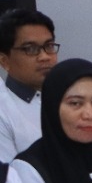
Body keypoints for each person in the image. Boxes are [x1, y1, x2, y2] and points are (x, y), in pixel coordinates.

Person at [0, 11, 59, 163]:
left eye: (49, 46)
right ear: (4, 61)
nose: (45, 56)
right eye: (30, 49)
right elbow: (8, 173)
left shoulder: (69, 96)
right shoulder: (4, 112)